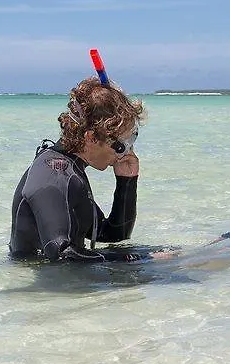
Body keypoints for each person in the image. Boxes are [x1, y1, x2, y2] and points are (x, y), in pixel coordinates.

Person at [9, 77, 145, 262]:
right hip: (48, 288)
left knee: (175, 255)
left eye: (132, 139)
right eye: (121, 145)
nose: (127, 151)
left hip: (66, 282)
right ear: (91, 138)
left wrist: (126, 181)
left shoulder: (71, 170)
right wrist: (135, 259)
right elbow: (61, 252)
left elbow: (112, 234)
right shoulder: (54, 174)